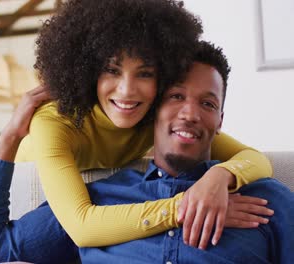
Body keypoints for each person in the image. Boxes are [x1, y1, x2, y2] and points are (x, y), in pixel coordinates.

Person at [0, 41, 294, 264]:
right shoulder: (100, 200)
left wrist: (221, 176)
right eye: (176, 96)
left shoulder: (266, 200)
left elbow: (255, 159)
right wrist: (10, 136)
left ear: (220, 119)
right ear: (153, 109)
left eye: (207, 103)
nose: (191, 113)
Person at [15, 0, 272, 249]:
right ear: (88, 70)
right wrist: (189, 206)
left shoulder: (150, 116)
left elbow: (254, 159)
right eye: (112, 70)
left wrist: (219, 177)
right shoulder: (55, 121)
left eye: (145, 74)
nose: (127, 91)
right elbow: (82, 227)